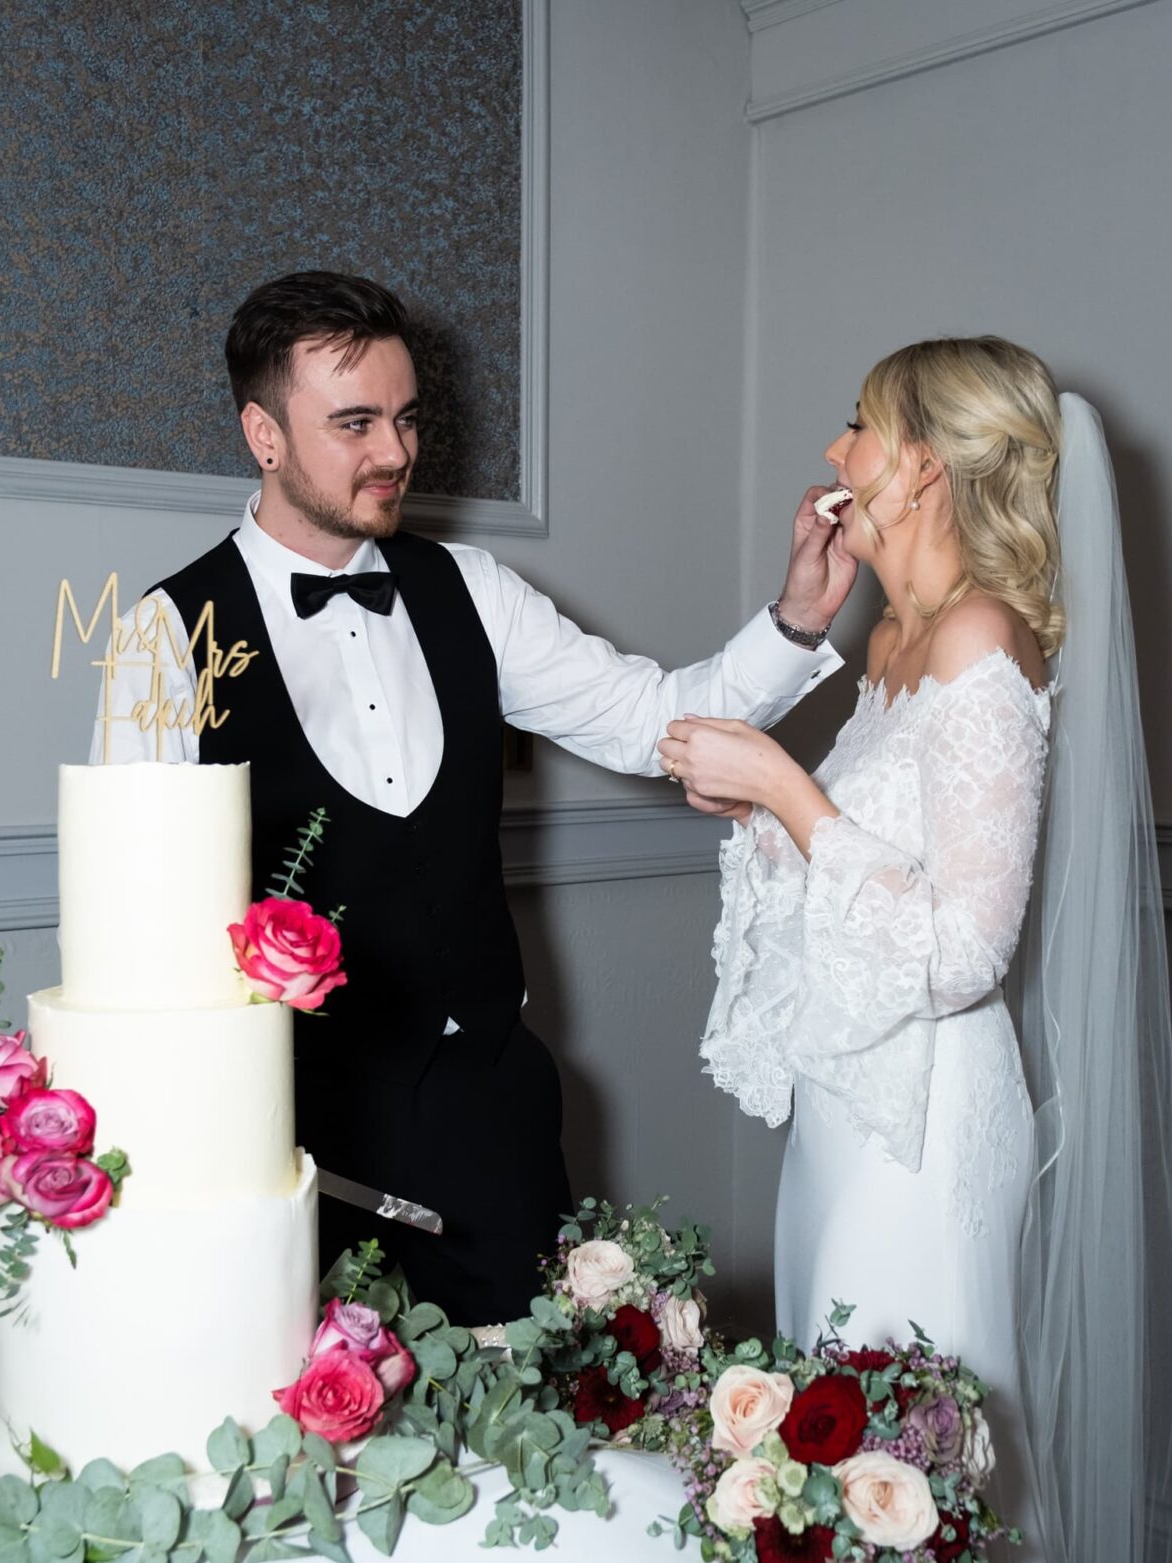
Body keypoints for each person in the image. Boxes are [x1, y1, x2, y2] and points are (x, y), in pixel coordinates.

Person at [659, 338, 1172, 1563]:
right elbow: (856, 886)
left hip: (927, 1128)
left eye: (866, 420)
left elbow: (965, 943)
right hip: (850, 1119)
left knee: (937, 1488)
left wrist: (789, 795)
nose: (836, 437)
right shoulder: (890, 635)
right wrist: (767, 800)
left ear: (931, 463)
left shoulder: (980, 637)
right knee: (847, 1448)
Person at [90, 269, 844, 1327]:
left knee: (538, 1438)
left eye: (404, 418)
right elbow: (141, 942)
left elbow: (657, 723)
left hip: (491, 1113)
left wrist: (798, 616)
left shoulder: (474, 589)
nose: (395, 453)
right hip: (290, 1135)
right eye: (353, 423)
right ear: (263, 434)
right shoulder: (165, 639)